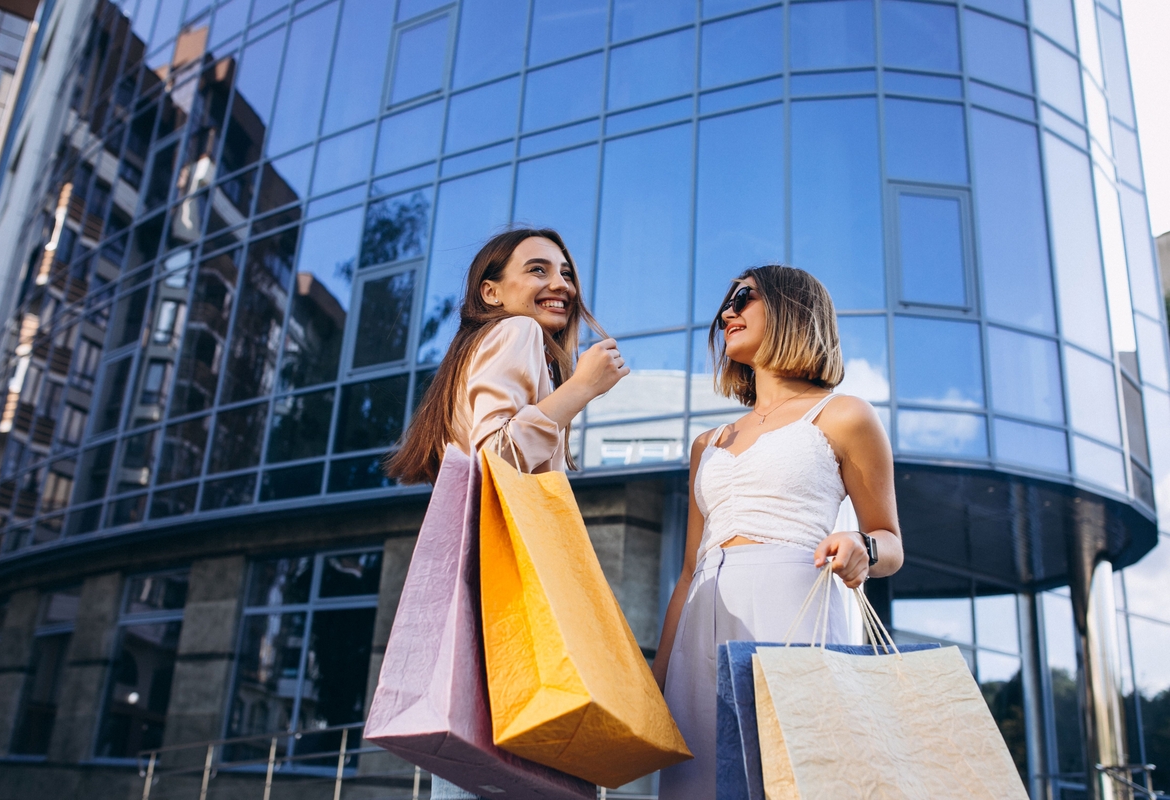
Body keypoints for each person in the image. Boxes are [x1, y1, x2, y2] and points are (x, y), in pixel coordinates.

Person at [387, 228, 629, 800]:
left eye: (566, 273)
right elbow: (497, 456)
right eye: (539, 270)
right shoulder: (516, 332)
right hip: (509, 591)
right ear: (492, 293)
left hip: (482, 590)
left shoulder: (477, 351)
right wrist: (583, 388)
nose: (560, 285)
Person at [652, 265, 904, 800]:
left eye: (743, 297)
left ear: (793, 307)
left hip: (798, 610)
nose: (727, 312)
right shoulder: (708, 443)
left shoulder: (844, 415)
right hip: (703, 620)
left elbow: (890, 542)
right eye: (726, 302)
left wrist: (864, 547)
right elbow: (687, 571)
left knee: (798, 776)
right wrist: (657, 679)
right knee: (697, 785)